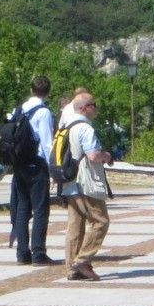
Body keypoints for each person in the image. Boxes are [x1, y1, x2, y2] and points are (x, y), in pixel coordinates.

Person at [60, 92, 115, 281]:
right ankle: (82, 260)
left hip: (70, 181)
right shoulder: (85, 128)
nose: (96, 108)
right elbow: (93, 156)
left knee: (75, 225)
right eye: (93, 104)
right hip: (86, 181)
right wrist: (106, 156)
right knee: (101, 221)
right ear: (84, 108)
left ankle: (71, 267)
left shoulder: (65, 125)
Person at [10, 75, 58, 265]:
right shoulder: (43, 112)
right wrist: (52, 169)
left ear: (31, 90)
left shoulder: (20, 109)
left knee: (22, 207)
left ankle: (22, 253)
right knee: (40, 210)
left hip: (19, 163)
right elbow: (47, 143)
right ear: (48, 92)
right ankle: (38, 252)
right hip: (37, 164)